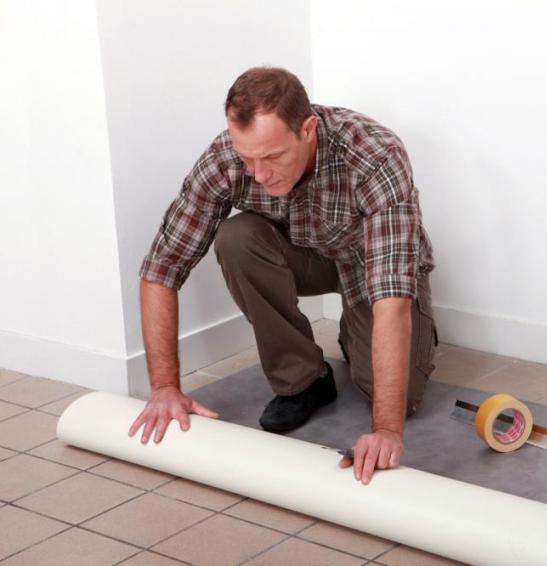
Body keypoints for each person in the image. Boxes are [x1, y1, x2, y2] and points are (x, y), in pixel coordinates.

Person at [128, 67, 437, 485]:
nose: (258, 173)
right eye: (247, 158)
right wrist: (164, 388)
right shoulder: (226, 157)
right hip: (304, 256)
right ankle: (303, 379)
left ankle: (357, 333)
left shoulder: (374, 154)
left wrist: (385, 430)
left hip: (373, 269)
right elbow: (161, 269)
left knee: (402, 402)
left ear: (307, 130)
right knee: (237, 238)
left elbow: (392, 298)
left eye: (272, 157)